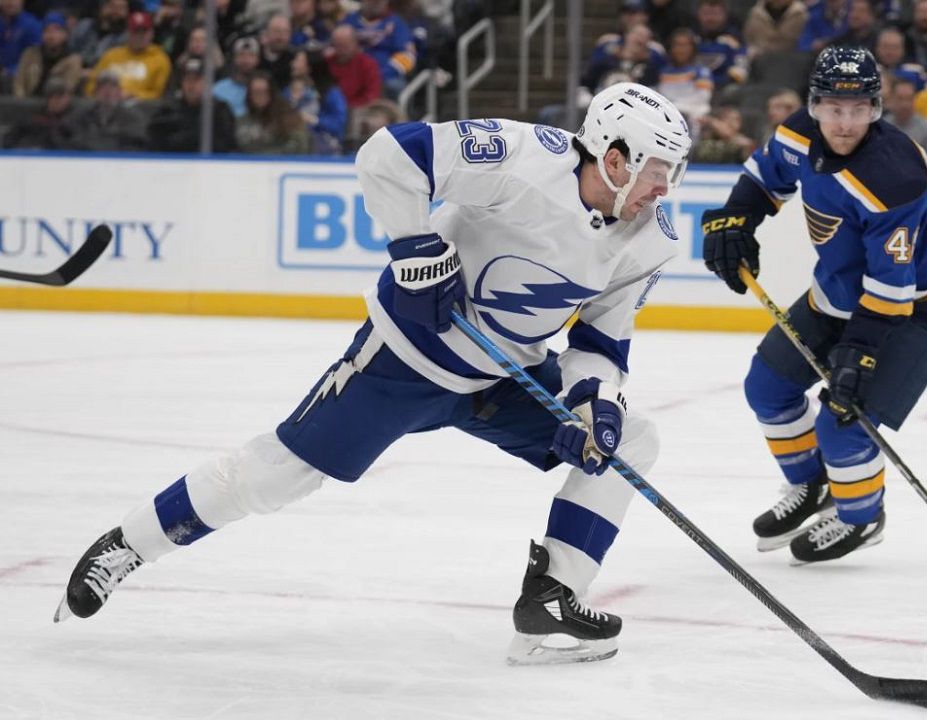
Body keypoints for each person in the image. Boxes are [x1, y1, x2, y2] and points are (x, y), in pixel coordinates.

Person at [55, 81, 692, 667]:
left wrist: (594, 404)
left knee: (631, 441)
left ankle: (549, 603)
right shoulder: (522, 158)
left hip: (505, 376)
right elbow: (389, 154)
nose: (666, 188)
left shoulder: (653, 235)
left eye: (673, 172)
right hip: (407, 361)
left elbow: (603, 334)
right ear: (614, 157)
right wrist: (417, 249)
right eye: (658, 170)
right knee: (277, 475)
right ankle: (129, 543)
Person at [699, 46, 927, 563]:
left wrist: (860, 355)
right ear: (815, 104)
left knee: (841, 425)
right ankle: (813, 486)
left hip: (919, 307)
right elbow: (763, 175)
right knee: (767, 386)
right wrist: (736, 218)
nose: (845, 124)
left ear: (876, 109)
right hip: (841, 290)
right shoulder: (800, 132)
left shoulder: (895, 178)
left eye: (859, 110)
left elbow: (894, 285)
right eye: (834, 109)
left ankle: (862, 517)